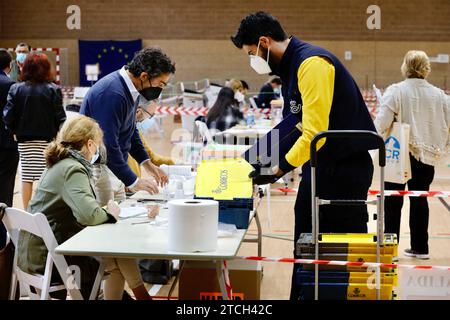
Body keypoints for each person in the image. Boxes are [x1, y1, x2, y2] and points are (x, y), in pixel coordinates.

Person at [231, 12, 378, 299]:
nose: (252, 61)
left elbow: (314, 133)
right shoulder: (291, 68)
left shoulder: (311, 64)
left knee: (334, 250)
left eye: (251, 53)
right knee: (306, 239)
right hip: (323, 165)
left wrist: (277, 170)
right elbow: (291, 125)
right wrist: (253, 160)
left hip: (343, 169)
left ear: (264, 42)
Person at [17, 116, 152, 300]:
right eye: (97, 144)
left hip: (34, 256)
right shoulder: (73, 168)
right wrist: (110, 212)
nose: (98, 149)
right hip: (52, 262)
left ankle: (141, 295)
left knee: (114, 259)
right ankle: (141, 295)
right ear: (89, 144)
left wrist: (101, 211)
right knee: (114, 258)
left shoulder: (59, 163)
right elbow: (89, 216)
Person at [374, 50, 450, 260]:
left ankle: (390, 251)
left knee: (392, 202)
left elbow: (381, 124)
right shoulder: (440, 95)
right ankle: (420, 248)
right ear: (426, 67)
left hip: (398, 154)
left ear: (405, 66)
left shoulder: (396, 91)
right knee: (420, 200)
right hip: (426, 156)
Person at [81, 47, 174, 197]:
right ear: (144, 76)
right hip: (98, 169)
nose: (160, 89)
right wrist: (133, 181)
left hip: (113, 169)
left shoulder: (131, 90)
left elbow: (130, 130)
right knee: (106, 217)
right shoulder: (112, 93)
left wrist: (147, 163)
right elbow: (108, 145)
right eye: (160, 84)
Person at [3, 53, 66, 210]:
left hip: (24, 141)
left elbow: (7, 116)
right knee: (46, 175)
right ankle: (44, 211)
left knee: (26, 177)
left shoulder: (16, 88)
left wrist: (13, 132)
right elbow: (61, 119)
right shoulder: (54, 89)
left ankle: (26, 212)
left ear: (25, 68)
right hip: (48, 142)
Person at [128, 99, 174, 178]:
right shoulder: (118, 135)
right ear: (138, 111)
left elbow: (151, 157)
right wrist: (133, 182)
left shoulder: (136, 133)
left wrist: (176, 162)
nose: (150, 119)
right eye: (151, 115)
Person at [0, 48, 17, 249]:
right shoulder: (10, 84)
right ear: (9, 65)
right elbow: (11, 115)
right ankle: (5, 234)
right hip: (5, 143)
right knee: (5, 188)